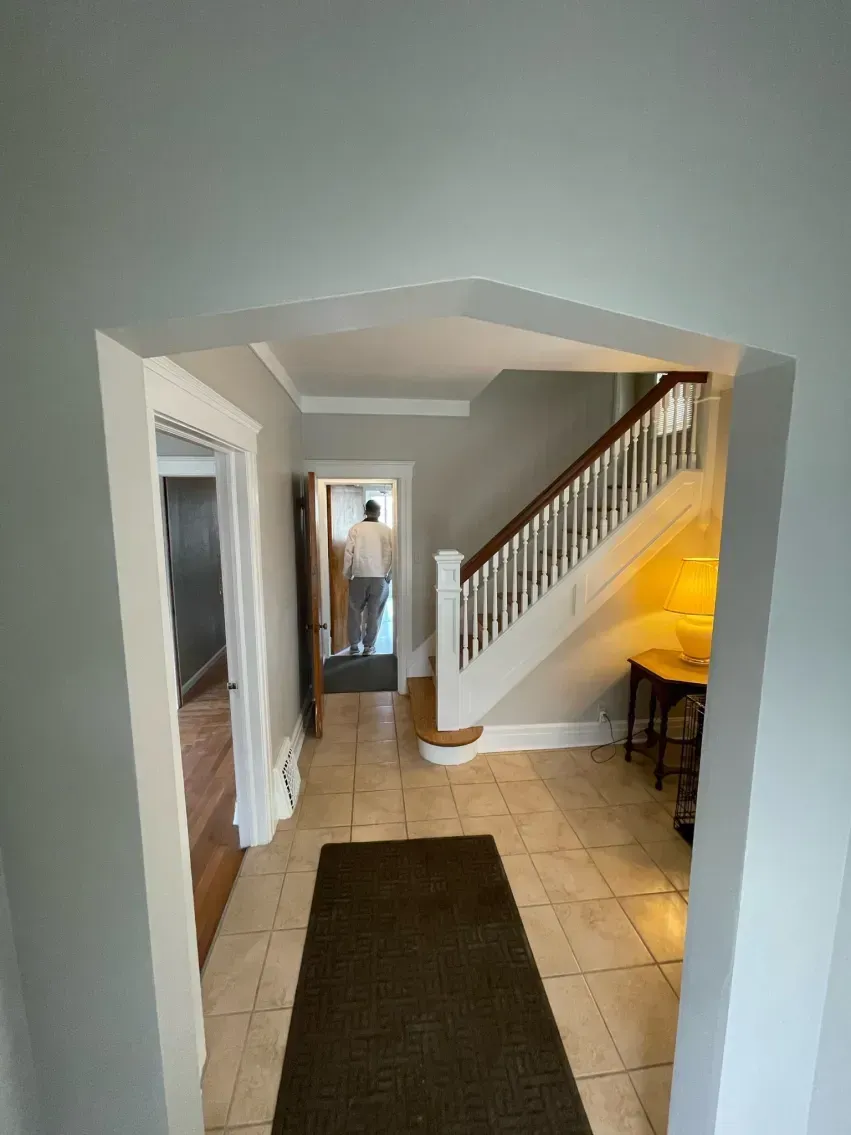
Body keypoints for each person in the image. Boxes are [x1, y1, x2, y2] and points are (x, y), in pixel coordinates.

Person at [343, 499, 393, 656]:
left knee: (354, 611)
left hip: (359, 575)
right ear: (379, 512)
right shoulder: (387, 530)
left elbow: (348, 553)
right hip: (379, 577)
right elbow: (394, 555)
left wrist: (347, 573)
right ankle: (368, 646)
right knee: (374, 612)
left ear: (365, 510)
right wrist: (389, 575)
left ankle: (354, 646)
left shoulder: (355, 529)